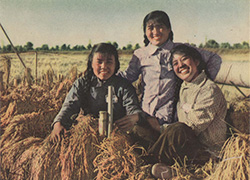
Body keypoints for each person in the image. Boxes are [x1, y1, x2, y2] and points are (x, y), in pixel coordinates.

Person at [118, 10, 222, 132]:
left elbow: (213, 58)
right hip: (145, 117)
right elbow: (128, 76)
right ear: (145, 32)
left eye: (160, 27)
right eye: (150, 28)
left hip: (171, 119)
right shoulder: (140, 54)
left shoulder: (181, 50)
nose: (155, 32)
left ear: (169, 29)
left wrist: (199, 84)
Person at [150, 44, 227, 179]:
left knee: (178, 129)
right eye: (175, 63)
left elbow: (192, 126)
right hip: (187, 148)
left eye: (184, 59)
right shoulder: (184, 87)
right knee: (142, 129)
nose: (181, 65)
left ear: (196, 61)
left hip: (206, 153)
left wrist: (161, 128)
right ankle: (172, 171)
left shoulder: (209, 90)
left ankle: (145, 165)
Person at [50, 43, 143, 143]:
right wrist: (58, 123)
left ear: (116, 64)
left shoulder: (123, 86)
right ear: (91, 63)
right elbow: (69, 106)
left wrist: (135, 117)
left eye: (109, 62)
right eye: (99, 62)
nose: (104, 66)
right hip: (88, 135)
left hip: (117, 137)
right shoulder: (81, 83)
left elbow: (132, 108)